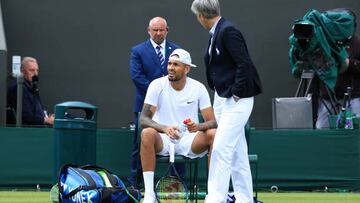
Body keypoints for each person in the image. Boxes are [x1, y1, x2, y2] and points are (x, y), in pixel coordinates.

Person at [191, 0, 263, 202]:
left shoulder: (228, 31)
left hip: (236, 100)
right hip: (223, 99)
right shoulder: (218, 31)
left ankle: (215, 198)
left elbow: (244, 64)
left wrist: (236, 93)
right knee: (238, 152)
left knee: (221, 148)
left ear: (201, 16)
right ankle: (245, 198)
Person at [139, 48, 217, 203]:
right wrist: (165, 128)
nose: (170, 68)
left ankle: (213, 192)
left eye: (176, 64)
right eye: (169, 64)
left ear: (186, 69)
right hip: (164, 140)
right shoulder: (157, 85)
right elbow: (143, 119)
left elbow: (213, 121)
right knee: (147, 133)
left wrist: (198, 127)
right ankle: (149, 195)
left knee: (213, 133)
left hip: (189, 140)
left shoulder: (198, 88)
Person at [129, 16, 181, 188]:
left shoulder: (177, 51)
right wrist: (157, 93)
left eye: (161, 30)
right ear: (148, 31)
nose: (158, 33)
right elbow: (137, 77)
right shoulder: (138, 51)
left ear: (167, 30)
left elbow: (181, 75)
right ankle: (136, 184)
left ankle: (178, 183)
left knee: (176, 140)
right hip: (145, 106)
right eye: (155, 30)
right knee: (140, 143)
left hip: (172, 106)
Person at [316, 9, 359, 128]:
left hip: (353, 97)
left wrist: (349, 63)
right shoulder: (325, 42)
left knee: (354, 128)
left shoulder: (358, 43)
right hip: (328, 96)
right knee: (321, 127)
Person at [7, 56, 54, 126]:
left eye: (37, 70)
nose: (35, 73)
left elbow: (38, 112)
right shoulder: (18, 88)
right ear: (23, 71)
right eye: (32, 70)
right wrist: (46, 120)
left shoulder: (32, 88)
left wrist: (47, 117)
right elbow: (25, 117)